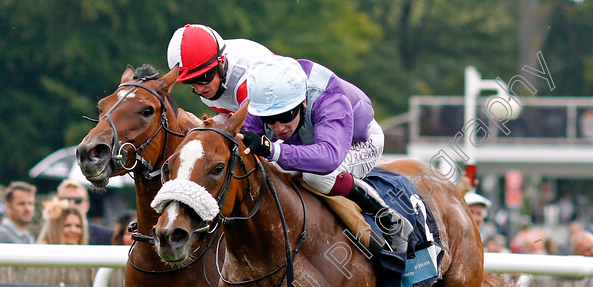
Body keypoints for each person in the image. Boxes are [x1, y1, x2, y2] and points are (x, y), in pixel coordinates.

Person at [240, 56, 413, 254]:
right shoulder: (260, 102)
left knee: (315, 176)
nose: (278, 127)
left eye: (286, 116)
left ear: (303, 101)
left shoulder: (328, 98)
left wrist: (273, 150)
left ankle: (390, 219)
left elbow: (328, 158)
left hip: (356, 142)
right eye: (269, 120)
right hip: (312, 143)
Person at [167, 24, 274, 122]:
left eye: (203, 78)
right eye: (189, 81)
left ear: (221, 62)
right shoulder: (211, 85)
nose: (199, 90)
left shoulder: (247, 82)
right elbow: (230, 116)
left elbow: (260, 131)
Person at [54, 179, 113, 244]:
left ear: (87, 205)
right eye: (65, 200)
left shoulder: (107, 236)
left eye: (78, 201)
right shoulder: (48, 234)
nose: (71, 205)